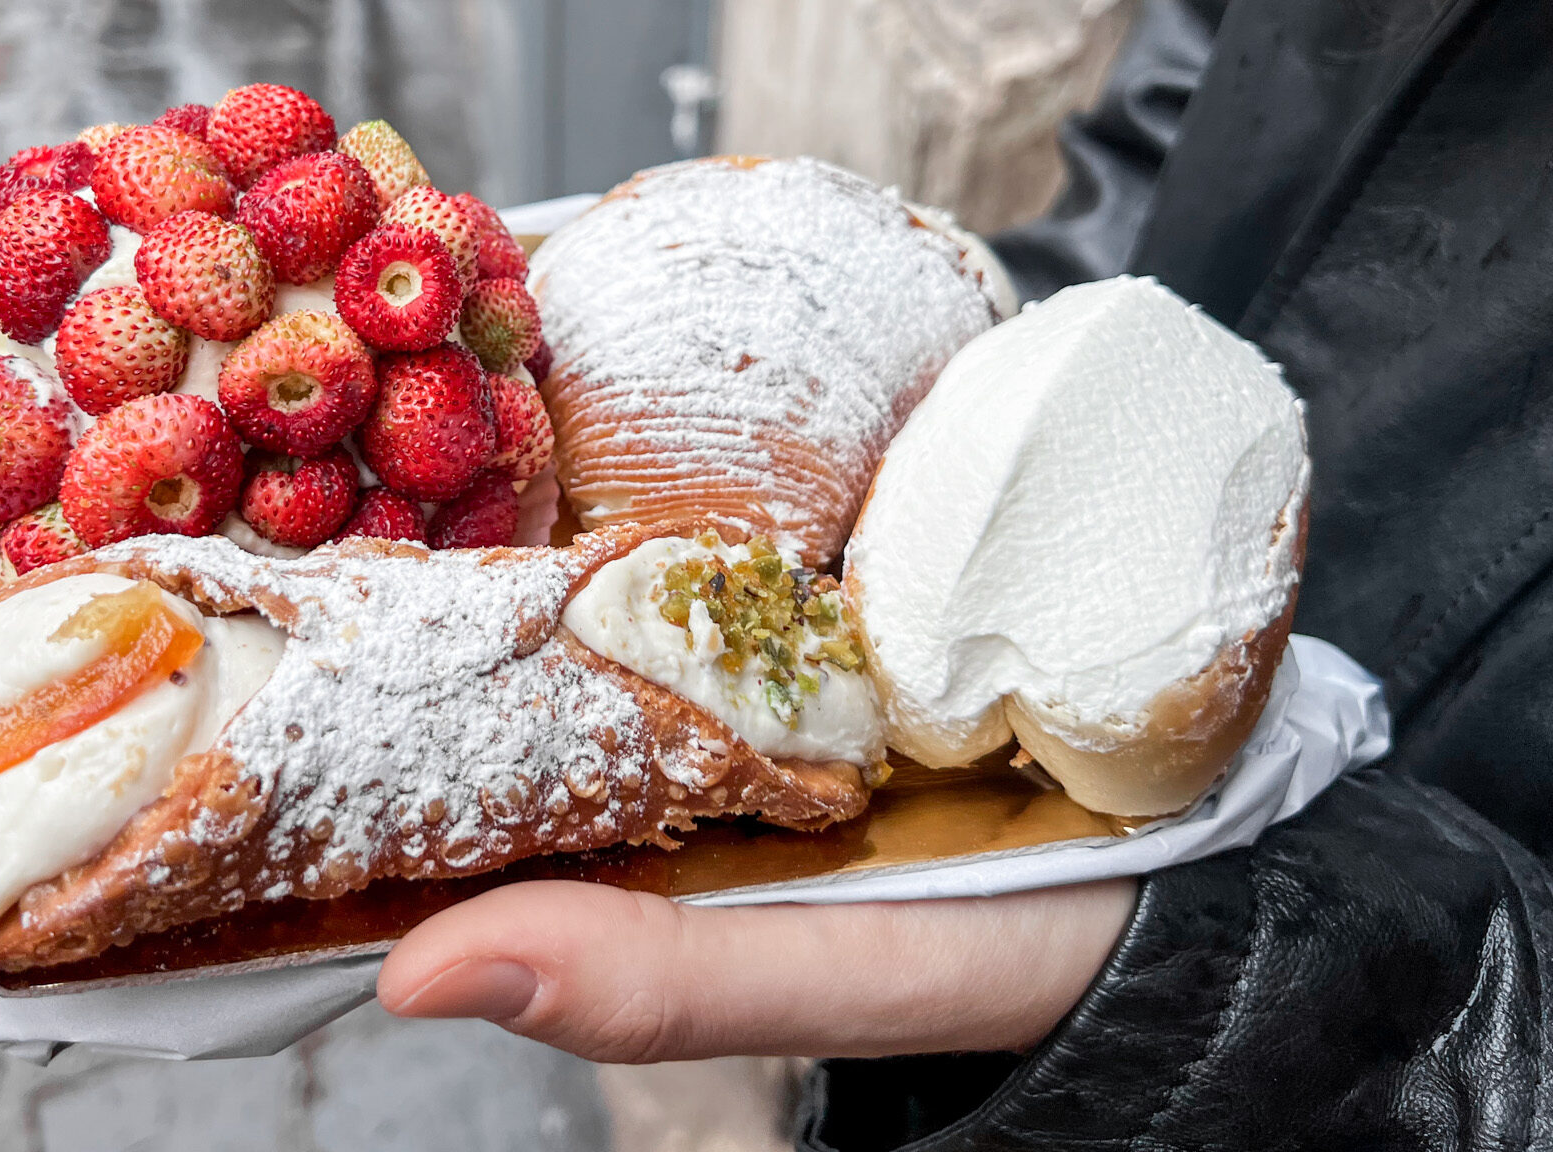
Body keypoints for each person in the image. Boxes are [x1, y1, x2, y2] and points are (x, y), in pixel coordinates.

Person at [375, 0, 1553, 1145]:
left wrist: (1355, 1002)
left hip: (1249, 953)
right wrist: (979, 361)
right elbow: (1208, 91)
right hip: (980, 505)